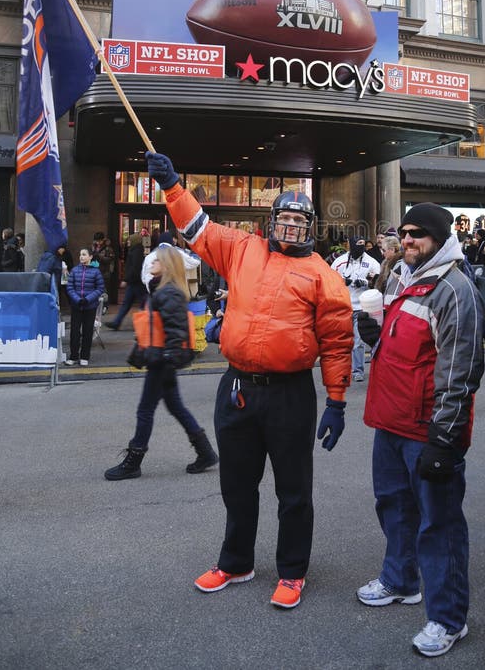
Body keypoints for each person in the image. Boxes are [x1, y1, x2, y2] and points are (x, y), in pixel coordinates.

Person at [146, 151, 353, 610]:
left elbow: (338, 345)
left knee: (293, 491)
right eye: (286, 220)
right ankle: (236, 562)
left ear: (311, 227)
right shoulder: (242, 248)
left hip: (290, 395)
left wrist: (336, 401)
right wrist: (173, 186)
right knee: (237, 484)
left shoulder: (324, 277)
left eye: (301, 221)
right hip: (237, 387)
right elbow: (198, 227)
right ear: (271, 221)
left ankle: (293, 570)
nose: (291, 229)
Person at [356, 203, 485, 658]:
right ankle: (400, 578)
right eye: (404, 233)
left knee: (440, 525)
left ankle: (449, 618)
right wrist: (375, 335)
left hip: (427, 430)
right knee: (394, 508)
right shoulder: (403, 277)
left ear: (437, 237)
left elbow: (462, 370)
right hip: (390, 423)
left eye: (417, 234)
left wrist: (445, 439)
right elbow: (402, 345)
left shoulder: (454, 289)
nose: (407, 240)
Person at [105, 245, 218, 481]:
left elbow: (175, 331)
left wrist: (164, 359)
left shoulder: (168, 292)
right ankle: (205, 452)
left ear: (166, 266)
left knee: (145, 410)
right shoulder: (165, 290)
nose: (151, 264)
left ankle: (133, 461)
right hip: (163, 360)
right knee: (176, 407)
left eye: (155, 262)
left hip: (162, 361)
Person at [331, 236, 380, 382]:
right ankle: (342, 369)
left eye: (362, 245)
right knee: (343, 341)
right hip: (343, 306)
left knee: (358, 342)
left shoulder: (371, 262)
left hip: (361, 307)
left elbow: (378, 281)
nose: (360, 247)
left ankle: (357, 370)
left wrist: (366, 282)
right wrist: (341, 281)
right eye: (357, 245)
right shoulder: (339, 262)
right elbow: (329, 278)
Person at [64, 247, 105, 367]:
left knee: (87, 332)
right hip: (77, 306)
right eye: (80, 254)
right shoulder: (74, 270)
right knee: (74, 332)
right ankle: (73, 356)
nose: (81, 257)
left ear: (90, 257)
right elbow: (70, 287)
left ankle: (84, 356)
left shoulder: (96, 272)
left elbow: (100, 288)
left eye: (84, 254)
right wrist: (77, 299)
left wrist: (88, 299)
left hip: (90, 306)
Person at [105, 233, 146, 330]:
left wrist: (126, 279)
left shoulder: (137, 251)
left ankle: (146, 322)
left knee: (142, 304)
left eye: (129, 240)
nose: (127, 242)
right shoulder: (135, 250)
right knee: (128, 303)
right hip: (134, 282)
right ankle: (117, 322)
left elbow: (135, 268)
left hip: (136, 282)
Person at [92, 232, 116, 301]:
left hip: (105, 272)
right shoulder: (93, 247)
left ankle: (104, 305)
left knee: (103, 290)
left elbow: (111, 259)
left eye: (100, 241)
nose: (98, 243)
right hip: (95, 271)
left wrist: (100, 257)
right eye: (96, 241)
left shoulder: (108, 248)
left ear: (103, 240)